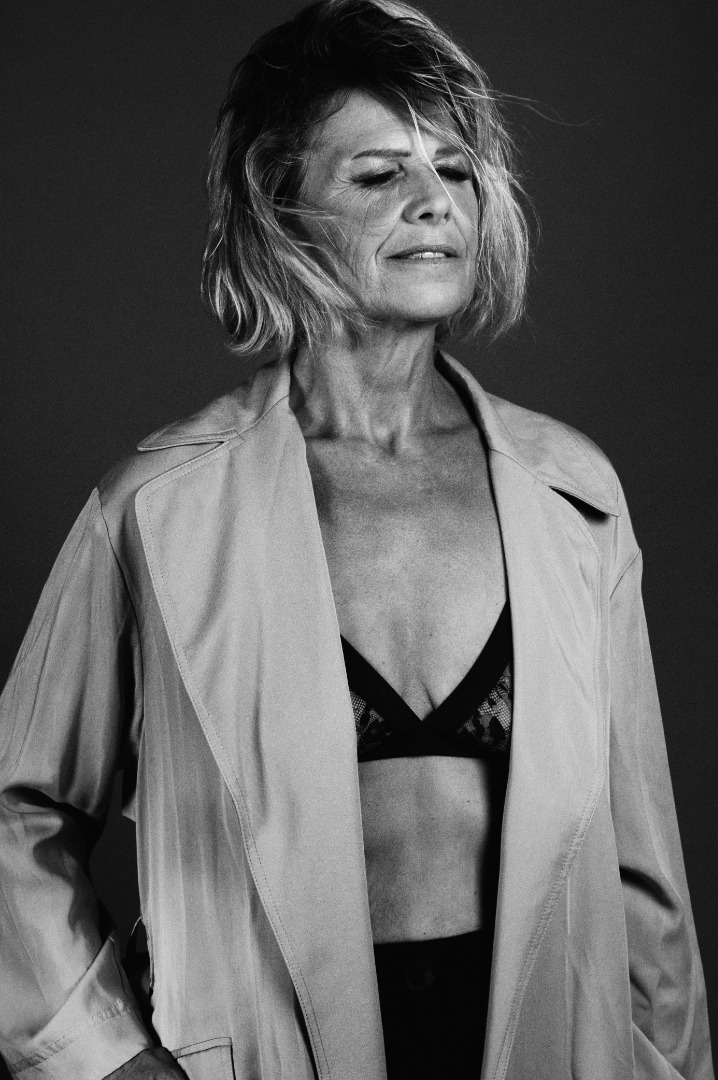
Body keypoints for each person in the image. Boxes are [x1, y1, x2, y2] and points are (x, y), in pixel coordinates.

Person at [0, 1, 712, 1078]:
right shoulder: (157, 510)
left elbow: (644, 874)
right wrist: (108, 1062)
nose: (435, 201)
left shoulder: (573, 495)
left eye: (457, 170)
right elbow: (18, 811)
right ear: (281, 212)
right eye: (379, 175)